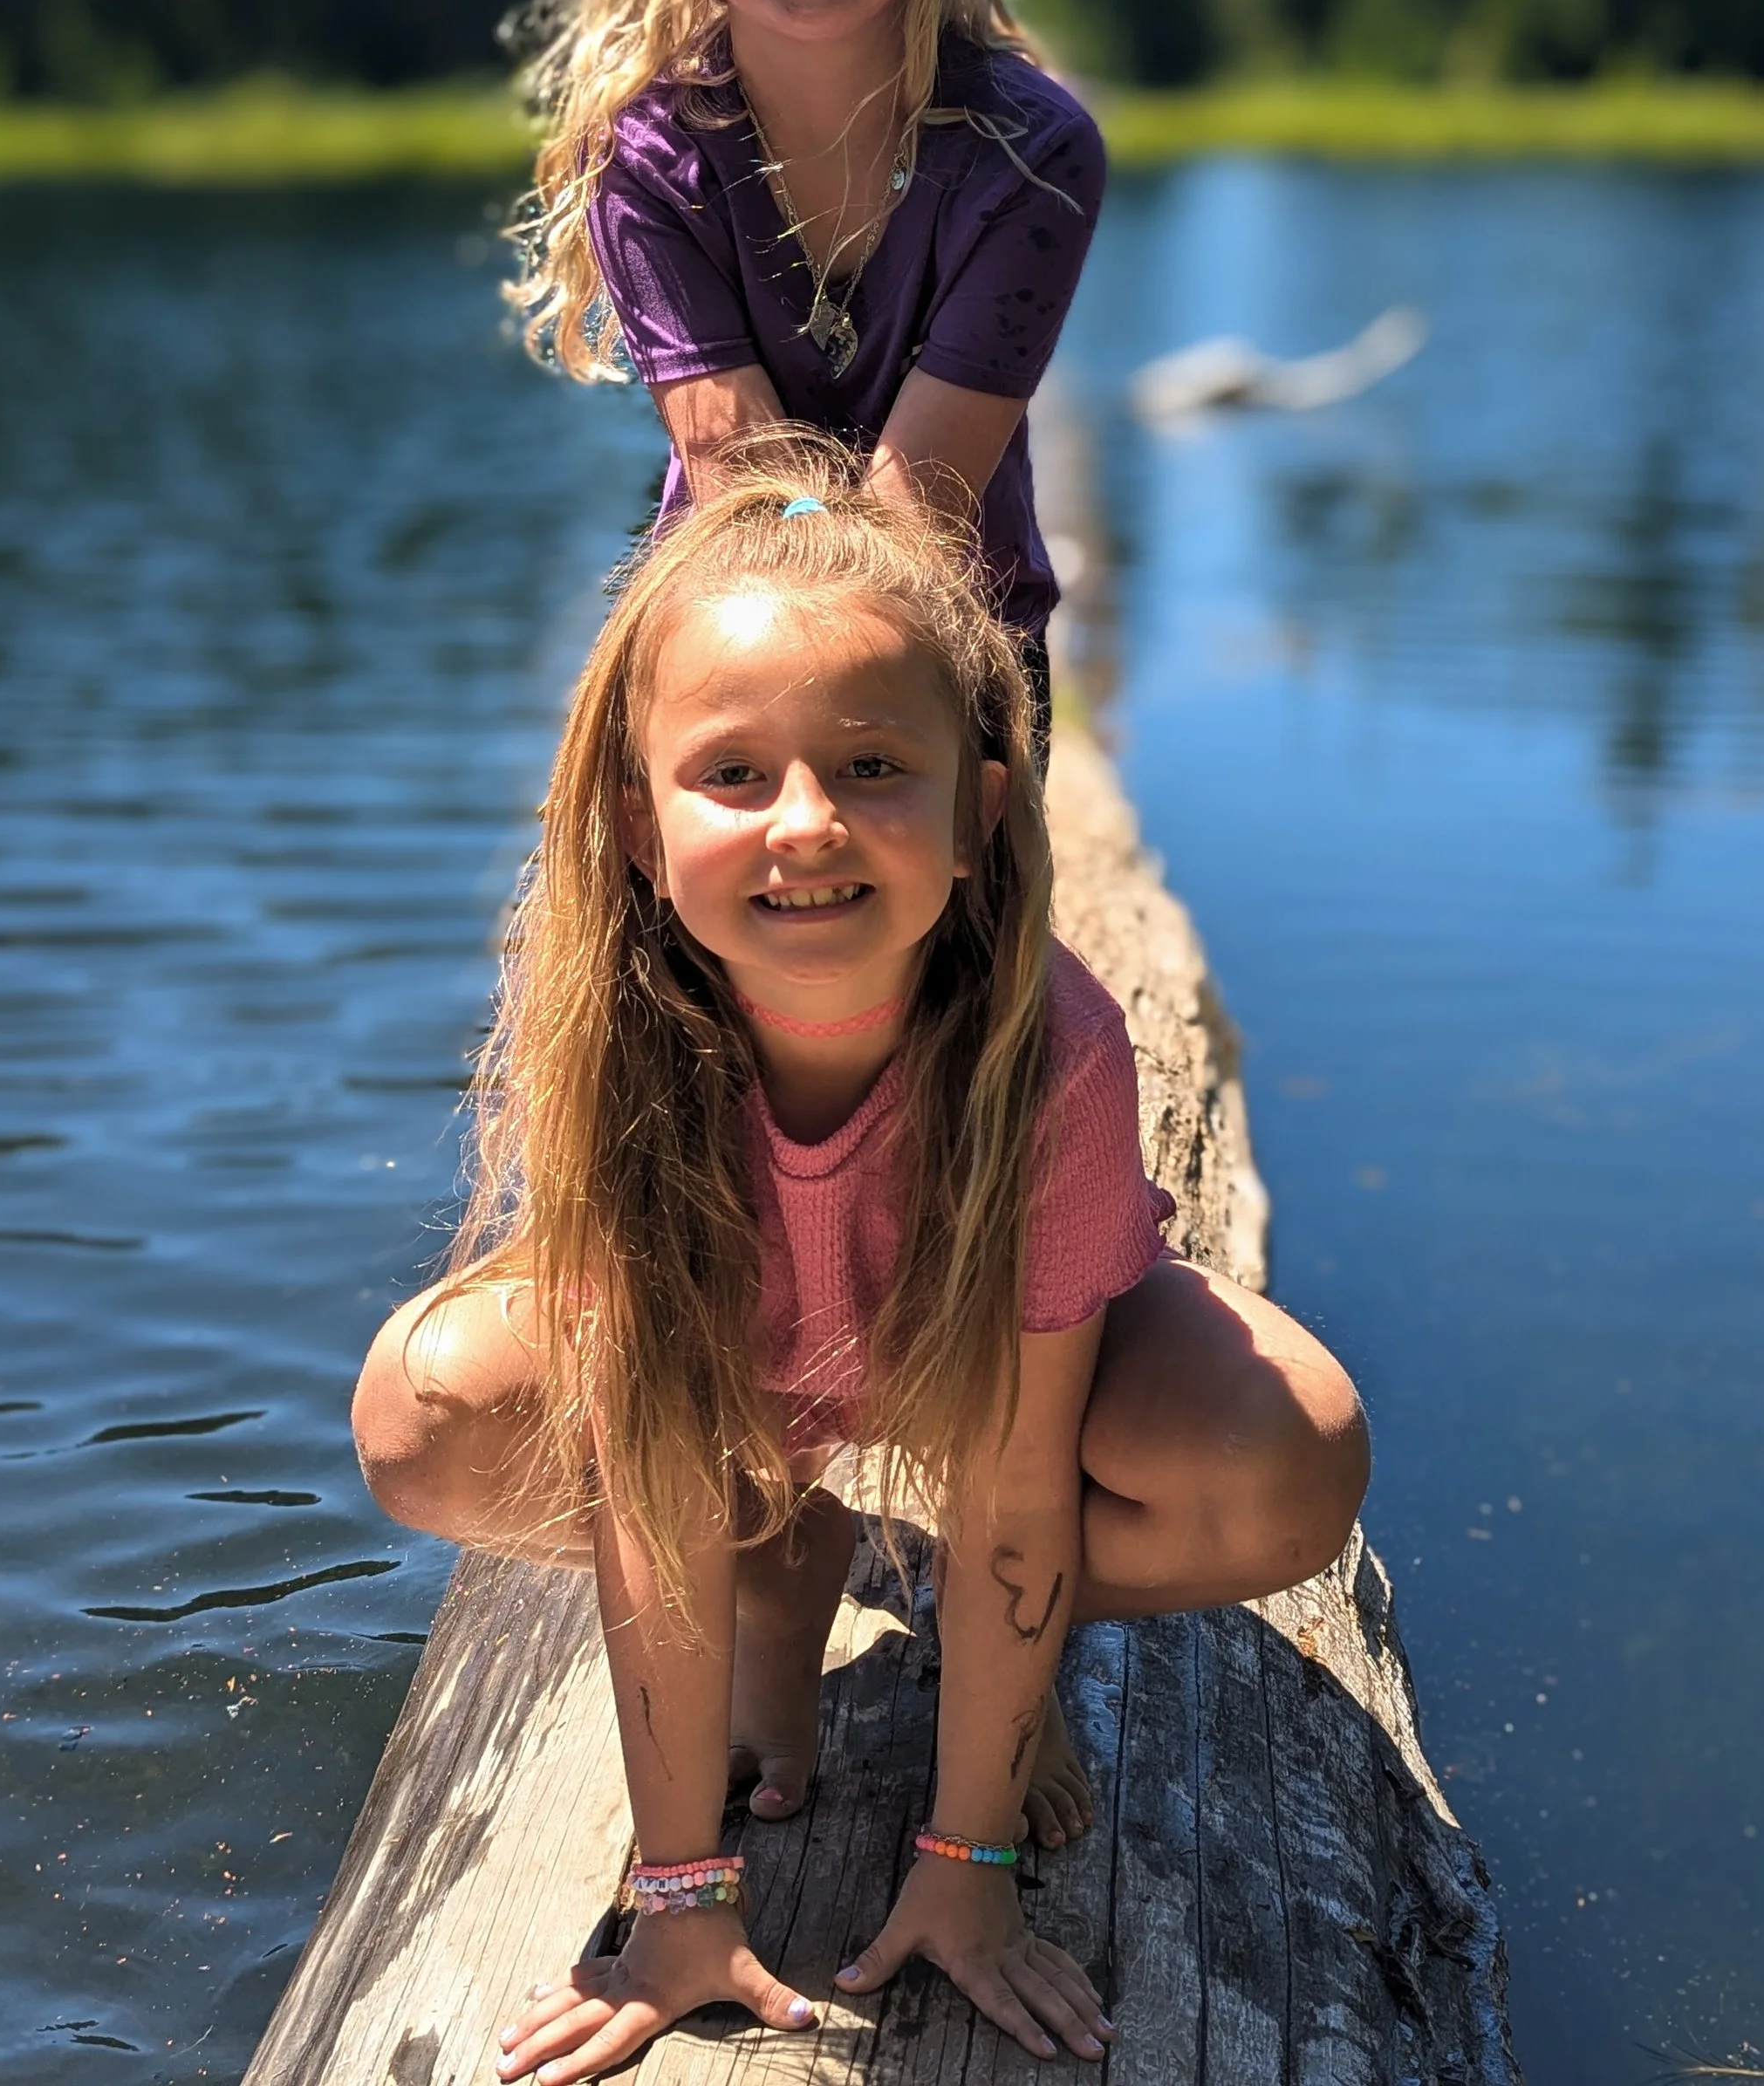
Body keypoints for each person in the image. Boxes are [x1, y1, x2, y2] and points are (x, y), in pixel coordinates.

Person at [352, 456, 1371, 2080]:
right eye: (734, 773)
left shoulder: (1050, 1053)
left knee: (1285, 1462)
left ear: (979, 812)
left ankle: (970, 1645)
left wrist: (968, 1860)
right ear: (638, 824)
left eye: (873, 764)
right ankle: (793, 1544)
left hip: (984, 1387)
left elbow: (1027, 1485)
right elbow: (645, 1476)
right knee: (422, 1414)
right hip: (749, 1365)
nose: (806, 824)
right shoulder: (615, 1044)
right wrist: (682, 1899)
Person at [507, 0, 1105, 755]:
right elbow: (742, 482)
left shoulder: (1029, 158)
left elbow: (917, 519)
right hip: (729, 666)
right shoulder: (647, 158)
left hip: (954, 693)